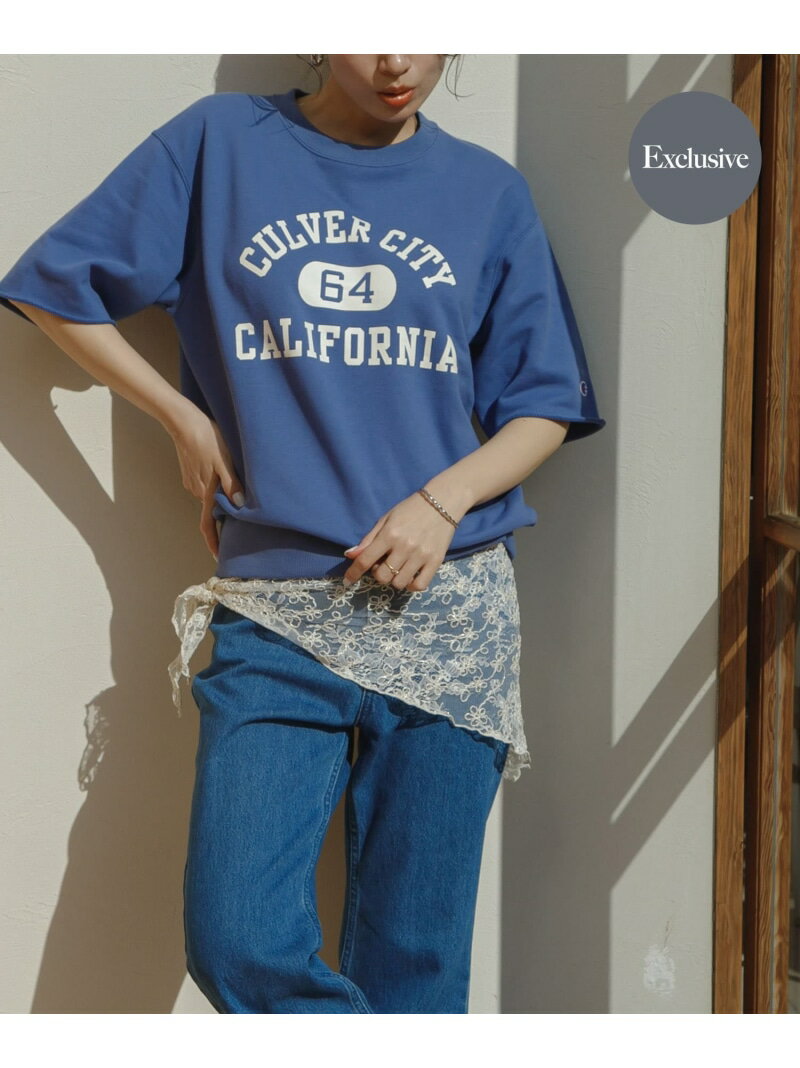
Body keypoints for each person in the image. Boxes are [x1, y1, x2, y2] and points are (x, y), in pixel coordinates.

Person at [0, 54, 606, 1013]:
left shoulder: (488, 192)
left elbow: (544, 405)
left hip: (451, 611)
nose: (397, 61)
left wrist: (441, 503)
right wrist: (181, 418)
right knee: (236, 936)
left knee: (414, 966)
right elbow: (53, 287)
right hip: (279, 611)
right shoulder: (219, 147)